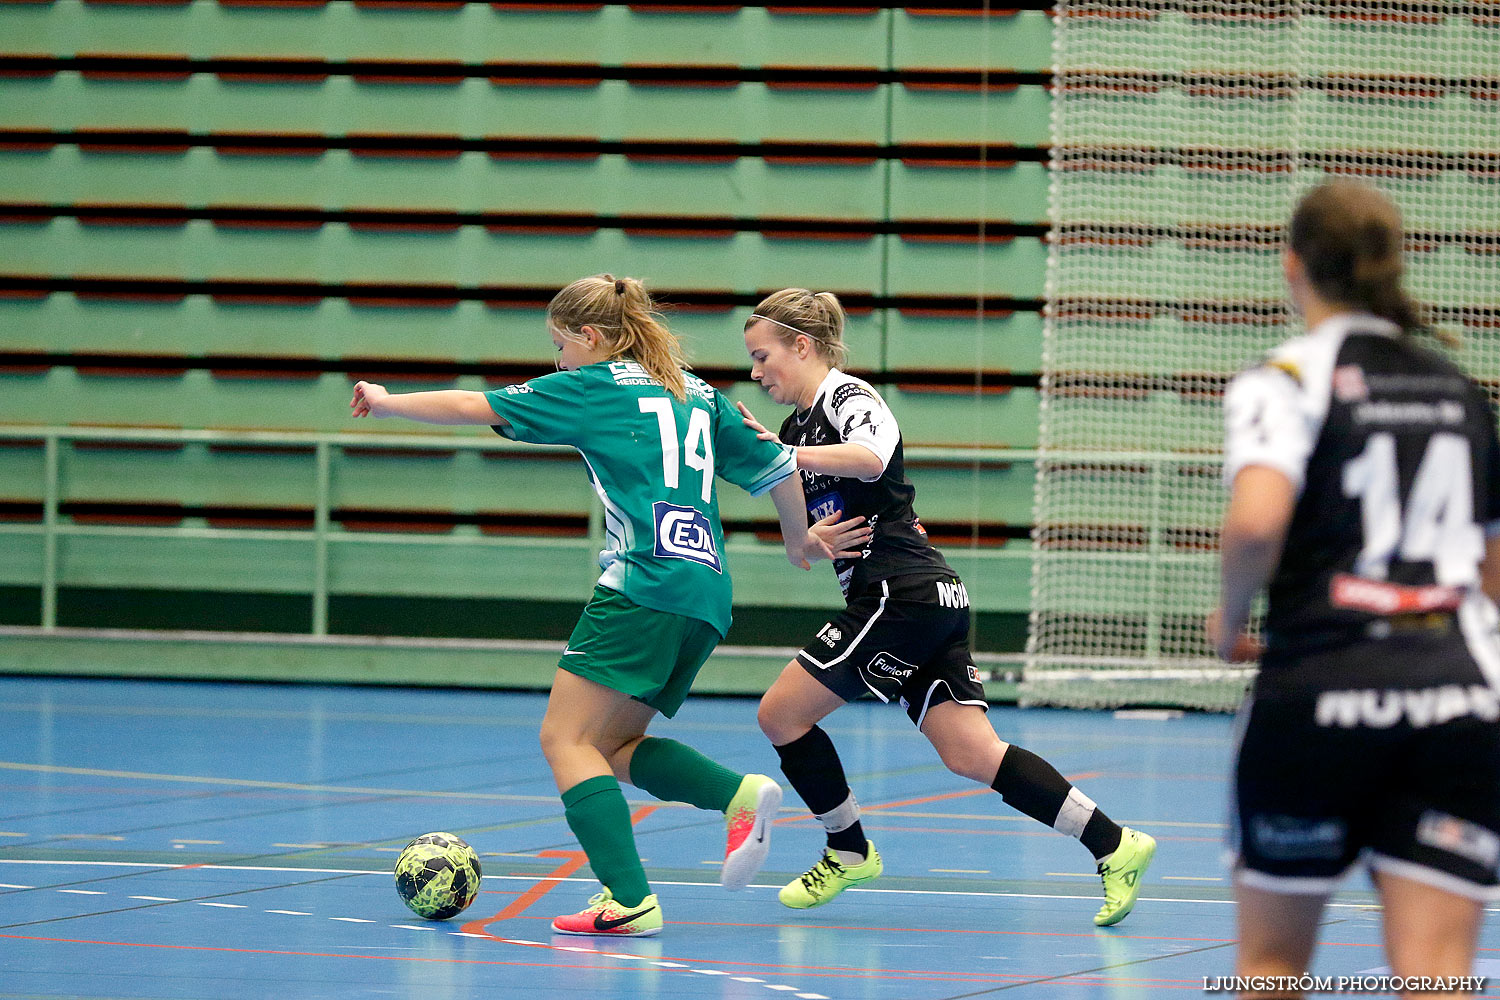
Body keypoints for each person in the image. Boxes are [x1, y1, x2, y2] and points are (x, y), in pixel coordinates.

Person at [351, 274, 851, 938]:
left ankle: (630, 897)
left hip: (642, 585)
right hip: (704, 593)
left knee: (563, 738)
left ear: (589, 337)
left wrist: (387, 403)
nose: (558, 362)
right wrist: (798, 542)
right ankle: (736, 796)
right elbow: (780, 467)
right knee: (611, 744)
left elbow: (478, 406)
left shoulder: (595, 386)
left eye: (560, 346)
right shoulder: (695, 391)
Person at [737, 288, 1156, 926]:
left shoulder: (851, 397)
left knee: (780, 715)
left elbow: (873, 458)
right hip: (924, 599)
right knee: (970, 752)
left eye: (763, 356)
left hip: (898, 595)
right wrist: (806, 540)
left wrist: (787, 454)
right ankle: (1115, 844)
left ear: (804, 345)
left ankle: (848, 850)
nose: (756, 371)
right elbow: (801, 534)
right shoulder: (793, 432)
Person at [1208, 180, 1500, 996]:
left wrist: (1227, 623)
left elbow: (1258, 523)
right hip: (1455, 696)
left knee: (1271, 968)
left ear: (1291, 264)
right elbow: (1490, 571)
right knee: (1439, 977)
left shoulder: (1288, 376)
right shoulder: (1459, 391)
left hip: (1321, 686)